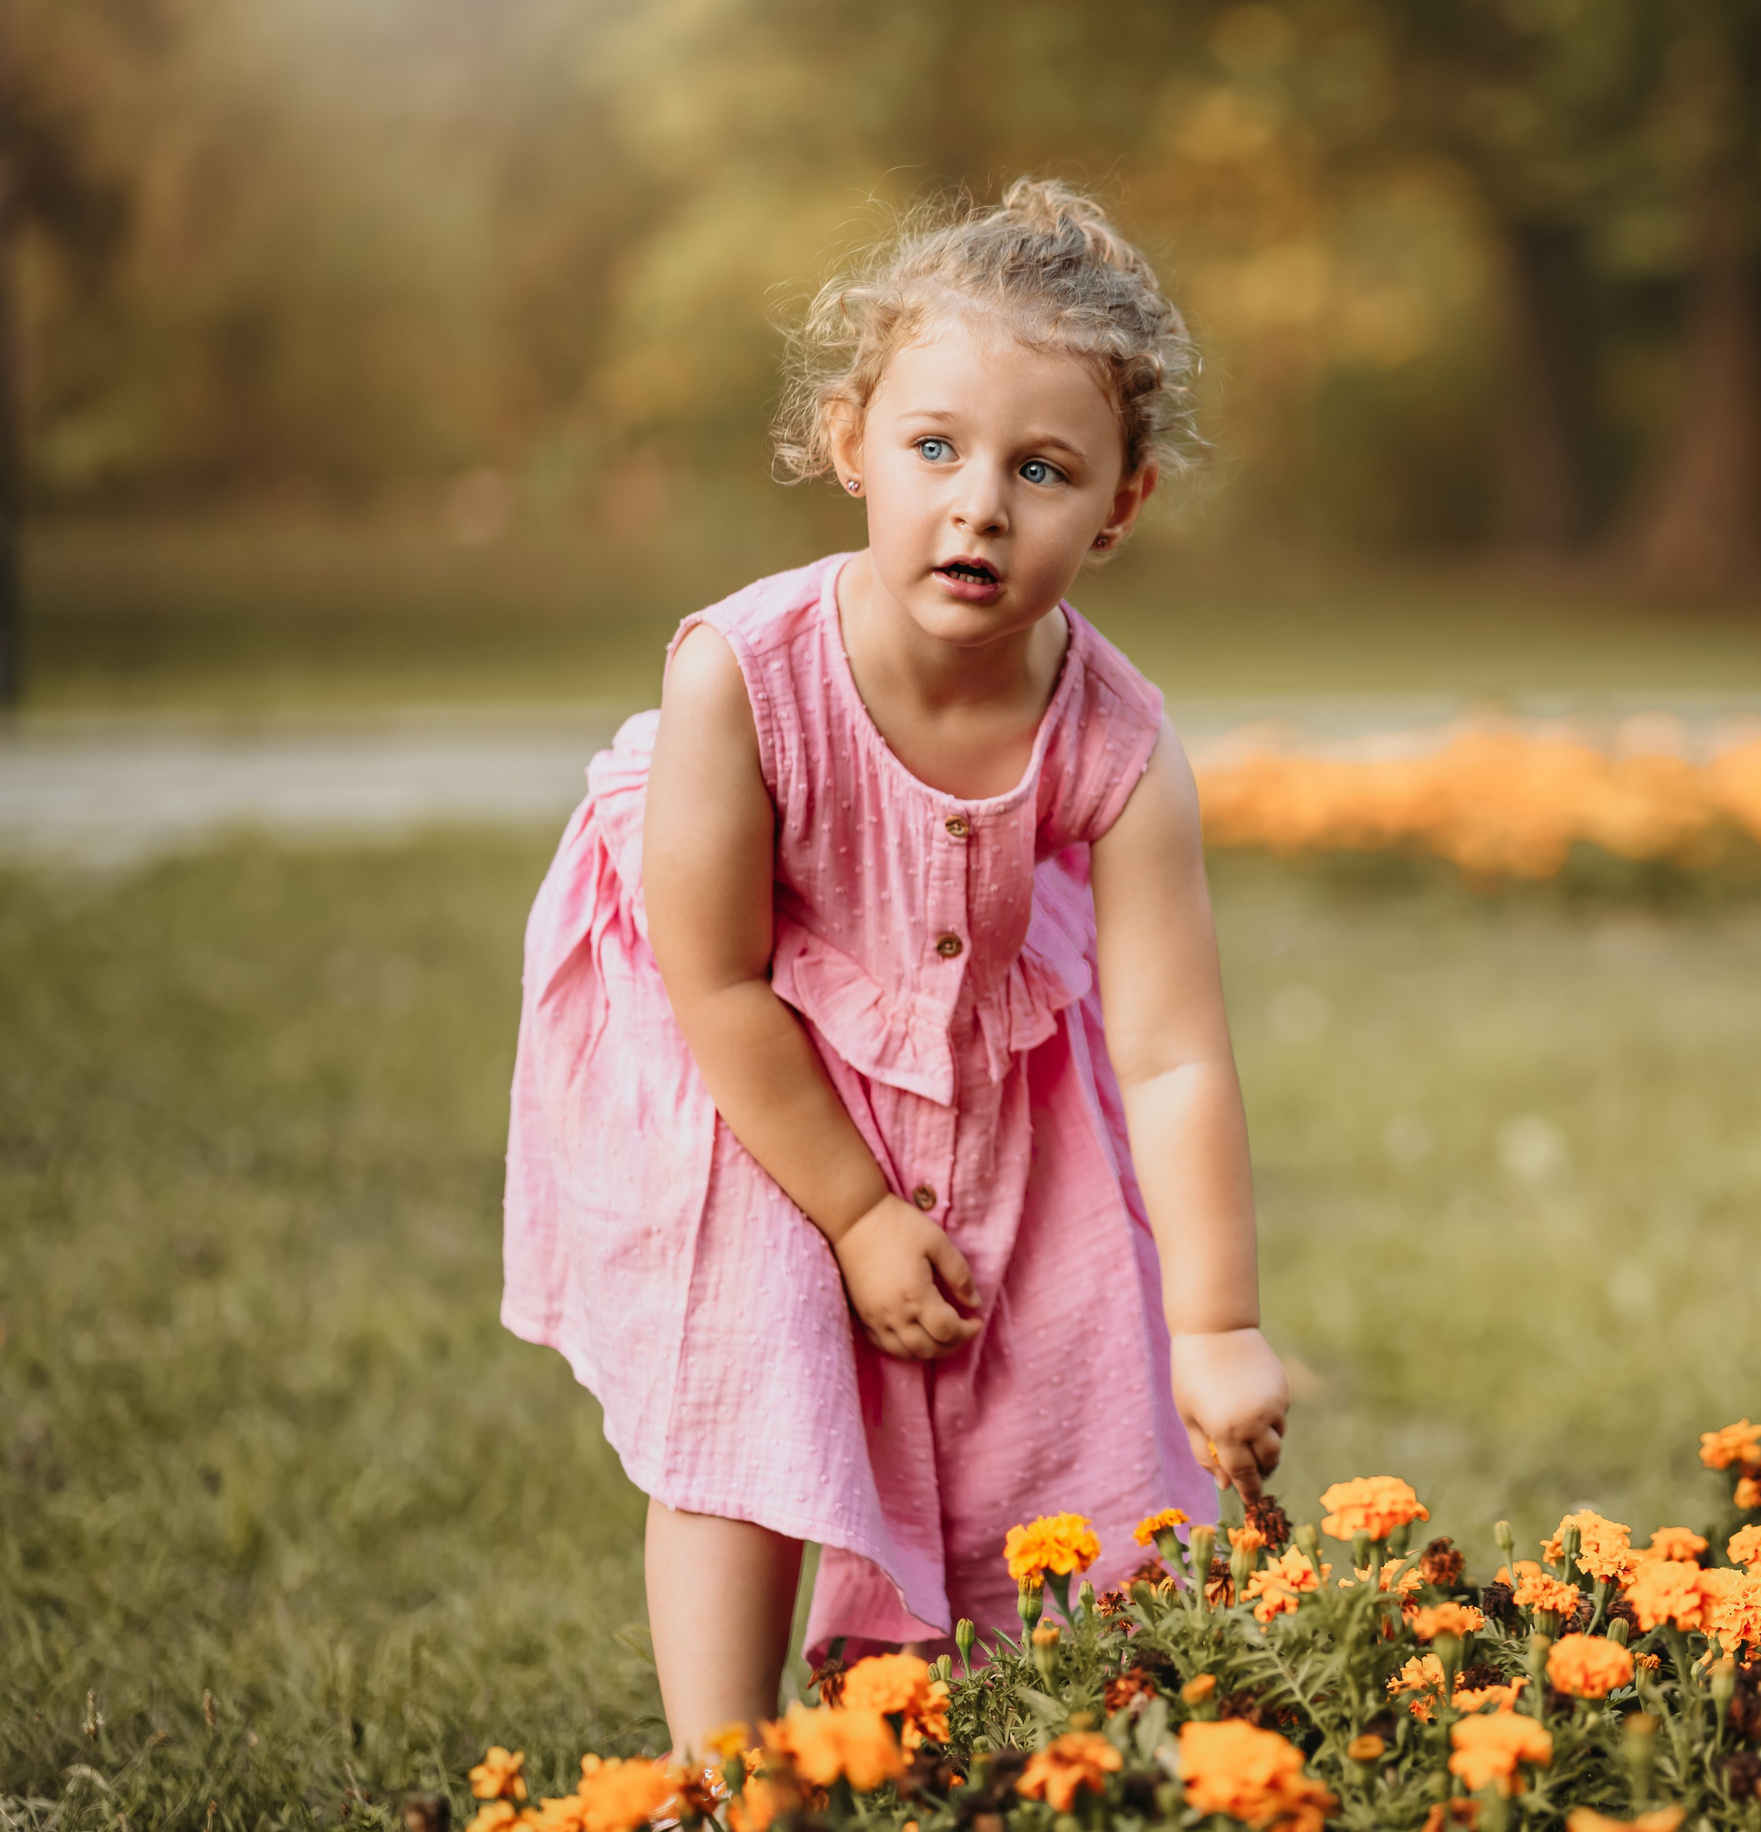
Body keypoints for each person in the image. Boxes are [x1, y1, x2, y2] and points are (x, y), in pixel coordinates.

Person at [500, 179, 1289, 1754]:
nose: (978, 504)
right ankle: (725, 1766)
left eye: (1042, 469)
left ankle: (943, 1737)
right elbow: (714, 976)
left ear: (1119, 507)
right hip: (740, 1040)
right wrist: (855, 1212)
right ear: (852, 442)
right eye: (935, 448)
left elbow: (1176, 1052)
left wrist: (1216, 1323)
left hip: (980, 1054)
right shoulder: (745, 672)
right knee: (764, 1370)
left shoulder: (1118, 741)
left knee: (1045, 1356)